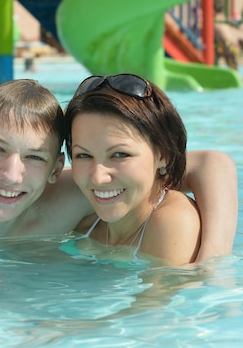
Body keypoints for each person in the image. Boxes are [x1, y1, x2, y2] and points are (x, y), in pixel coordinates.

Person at [0, 79, 237, 261]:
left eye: (35, 158)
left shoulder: (74, 192)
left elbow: (211, 163)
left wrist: (212, 263)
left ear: (56, 167)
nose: (10, 174)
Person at [64, 73, 200, 265]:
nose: (98, 177)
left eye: (119, 155)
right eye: (84, 155)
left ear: (163, 154)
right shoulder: (87, 224)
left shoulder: (172, 222)